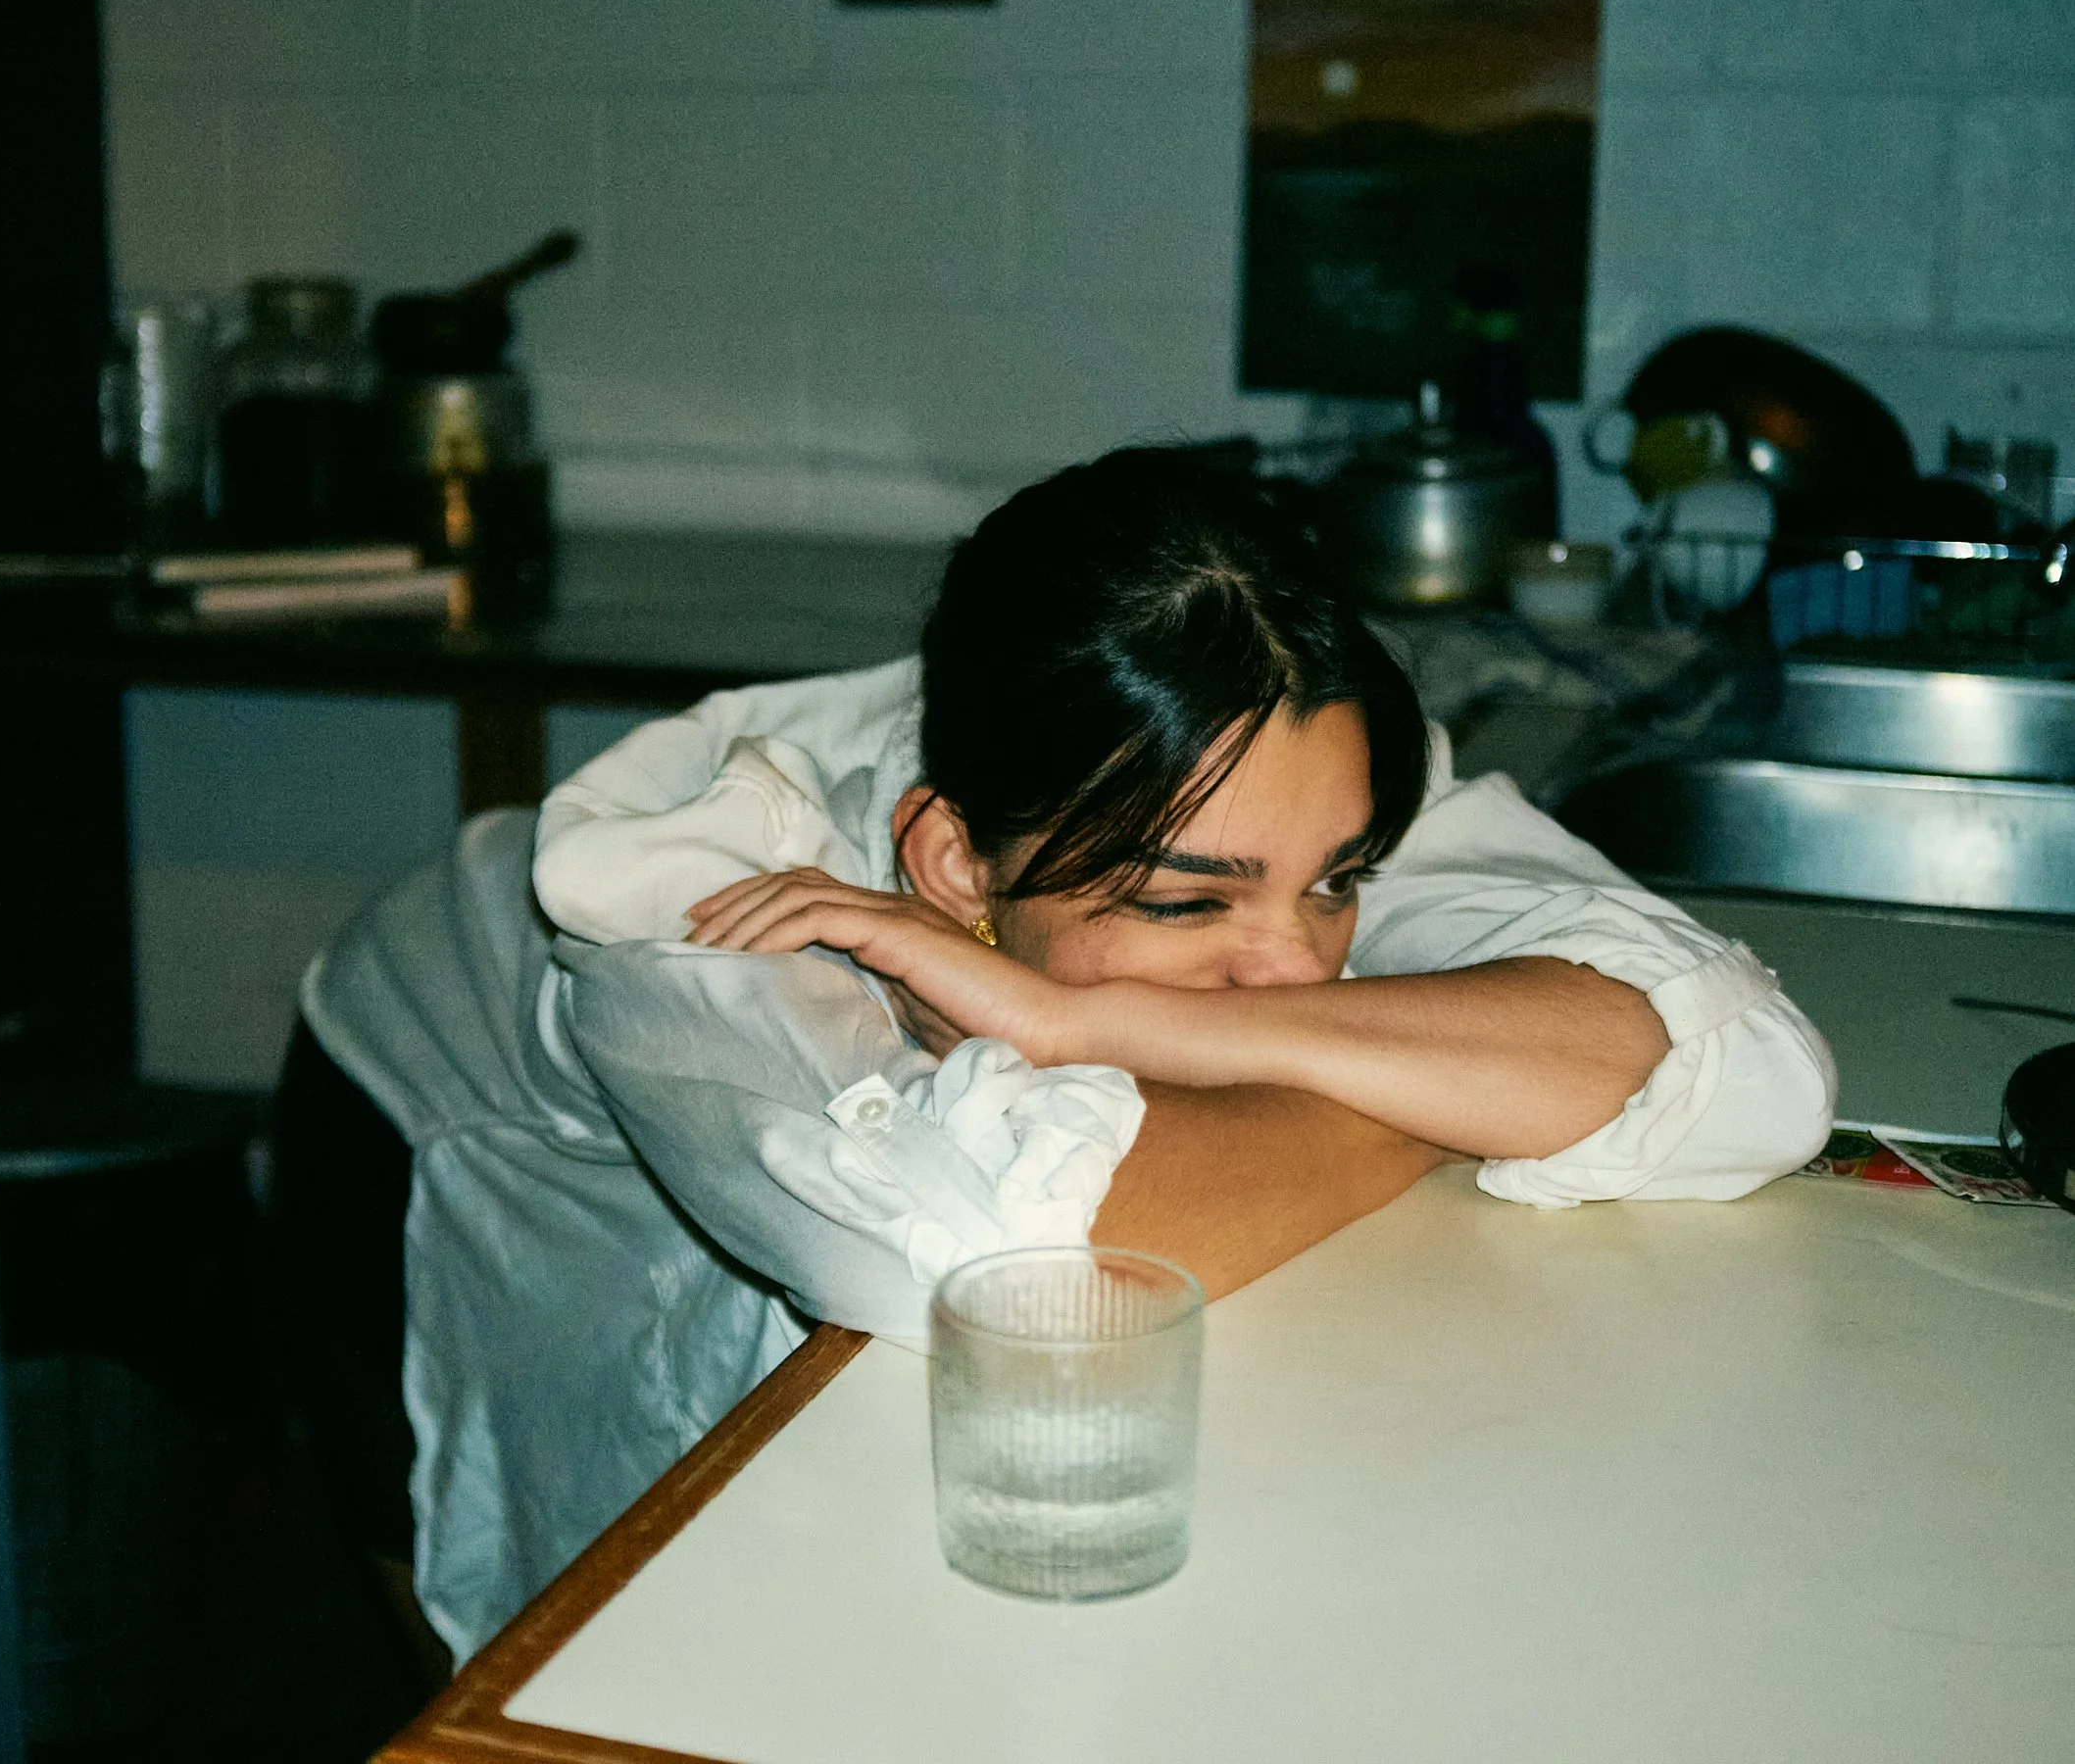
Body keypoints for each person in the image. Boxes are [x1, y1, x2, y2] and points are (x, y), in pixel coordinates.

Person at [285, 449, 1835, 1659]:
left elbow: (1745, 1059)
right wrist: (1439, 1087)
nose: (1293, 962)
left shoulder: (1274, 768)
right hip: (411, 1104)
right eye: (1182, 904)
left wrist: (1101, 1015)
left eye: (1346, 882)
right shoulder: (716, 891)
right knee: (542, 1609)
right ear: (951, 868)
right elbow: (998, 1267)